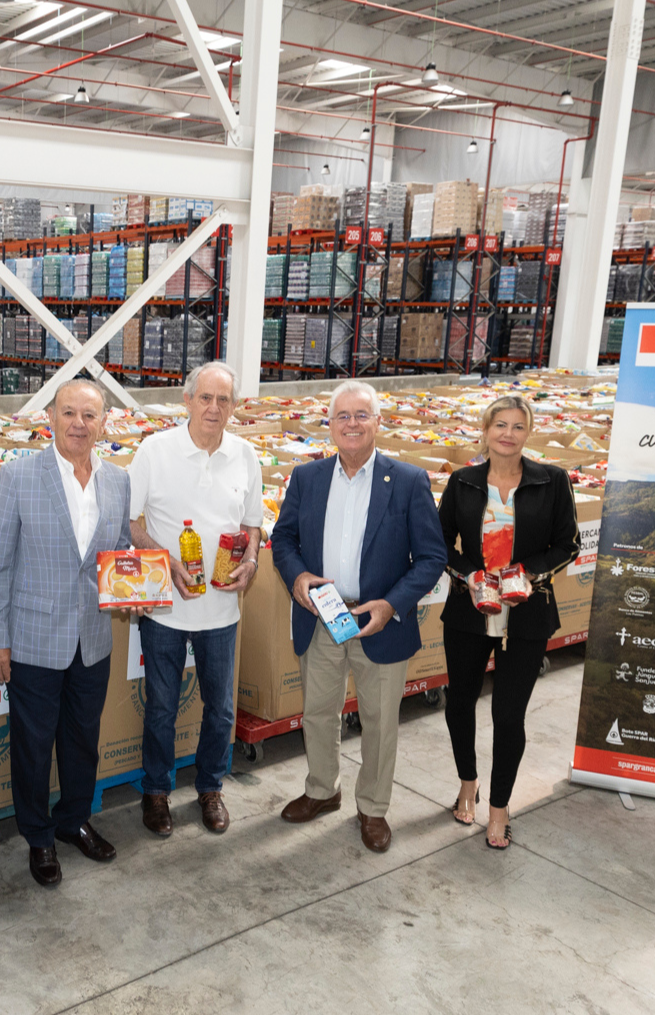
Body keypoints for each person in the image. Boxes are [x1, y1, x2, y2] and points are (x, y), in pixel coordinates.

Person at [269, 380, 445, 854]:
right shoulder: (307, 478)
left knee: (381, 721)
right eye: (342, 415)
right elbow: (282, 540)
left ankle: (373, 808)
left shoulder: (407, 480)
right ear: (329, 424)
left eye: (361, 415)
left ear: (378, 423)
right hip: (322, 618)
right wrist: (299, 577)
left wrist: (391, 605)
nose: (351, 423)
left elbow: (431, 557)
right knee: (318, 713)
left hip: (379, 623)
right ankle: (322, 791)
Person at [0, 379, 131, 888]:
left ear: (104, 422)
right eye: (69, 413)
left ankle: (73, 820)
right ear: (50, 416)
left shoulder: (118, 480)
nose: (78, 424)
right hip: (32, 637)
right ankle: (39, 836)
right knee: (32, 744)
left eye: (90, 415)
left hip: (92, 637)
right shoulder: (19, 476)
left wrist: (137, 585)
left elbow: (119, 554)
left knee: (82, 741)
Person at [126, 361, 261, 837]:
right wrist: (164, 560)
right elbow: (130, 520)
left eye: (223, 400)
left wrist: (252, 562)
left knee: (220, 708)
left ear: (234, 407)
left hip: (221, 610)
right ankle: (157, 791)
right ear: (187, 401)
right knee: (162, 704)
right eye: (205, 398)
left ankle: (210, 787)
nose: (214, 408)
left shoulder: (246, 455)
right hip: (166, 606)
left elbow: (252, 526)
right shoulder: (155, 451)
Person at [439, 395, 578, 851]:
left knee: (508, 714)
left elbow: (568, 544)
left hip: (527, 613)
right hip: (470, 609)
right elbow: (440, 545)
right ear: (485, 430)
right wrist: (470, 575)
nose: (508, 434)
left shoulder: (552, 481)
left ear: (528, 433)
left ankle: (499, 807)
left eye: (518, 426)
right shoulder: (462, 482)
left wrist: (529, 574)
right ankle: (467, 782)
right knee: (460, 702)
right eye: (500, 424)